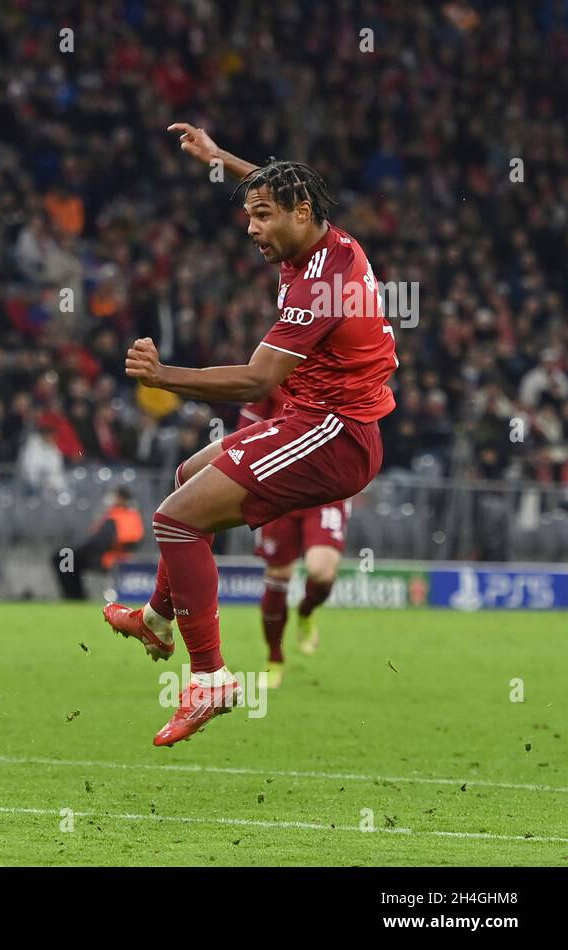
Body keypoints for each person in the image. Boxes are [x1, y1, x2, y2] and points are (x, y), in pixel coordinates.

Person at [103, 124, 396, 746]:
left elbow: (255, 379)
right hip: (312, 419)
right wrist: (219, 159)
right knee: (186, 481)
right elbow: (279, 190)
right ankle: (156, 620)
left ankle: (210, 678)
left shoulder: (322, 283)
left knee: (177, 519)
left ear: (301, 213)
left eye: (262, 217)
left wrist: (164, 376)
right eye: (248, 216)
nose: (251, 228)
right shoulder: (324, 246)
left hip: (334, 432)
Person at [240, 388, 349, 689]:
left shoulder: (340, 370)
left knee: (322, 571)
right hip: (281, 488)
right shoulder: (272, 370)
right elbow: (245, 431)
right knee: (278, 574)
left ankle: (306, 611)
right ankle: (274, 659)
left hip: (327, 488)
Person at [55, 486, 144, 600]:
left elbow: (127, 540)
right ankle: (75, 596)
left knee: (63, 557)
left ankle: (75, 596)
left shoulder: (126, 515)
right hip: (97, 553)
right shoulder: (114, 513)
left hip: (109, 556)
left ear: (122, 498)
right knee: (66, 558)